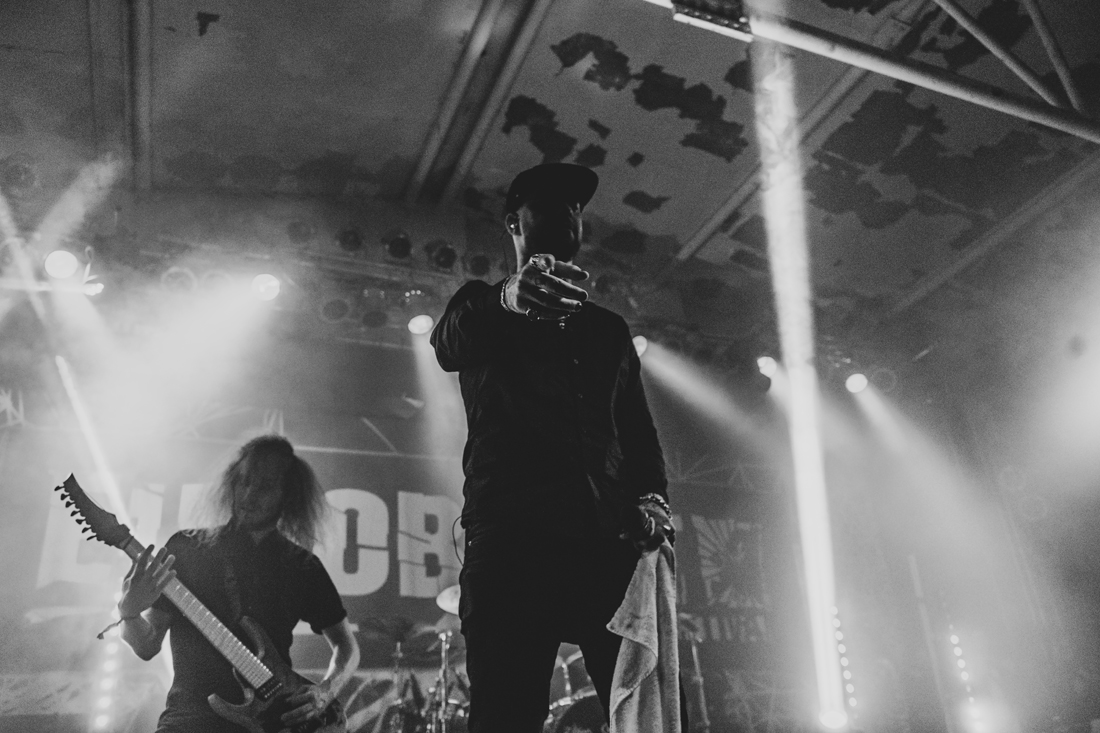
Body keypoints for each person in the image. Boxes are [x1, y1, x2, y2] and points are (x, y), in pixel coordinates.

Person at [431, 162, 674, 732]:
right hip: (513, 540)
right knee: (506, 715)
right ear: (514, 222)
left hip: (607, 538)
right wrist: (509, 298)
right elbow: (447, 346)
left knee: (648, 709)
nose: (569, 212)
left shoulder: (608, 330)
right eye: (550, 203)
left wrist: (653, 500)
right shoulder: (482, 304)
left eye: (576, 206)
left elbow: (636, 430)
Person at [116, 435, 360, 732]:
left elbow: (347, 647)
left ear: (288, 495)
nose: (249, 494)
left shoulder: (302, 566)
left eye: (264, 486)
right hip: (188, 720)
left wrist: (325, 692)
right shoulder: (187, 548)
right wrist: (129, 613)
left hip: (272, 723)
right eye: (243, 481)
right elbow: (146, 646)